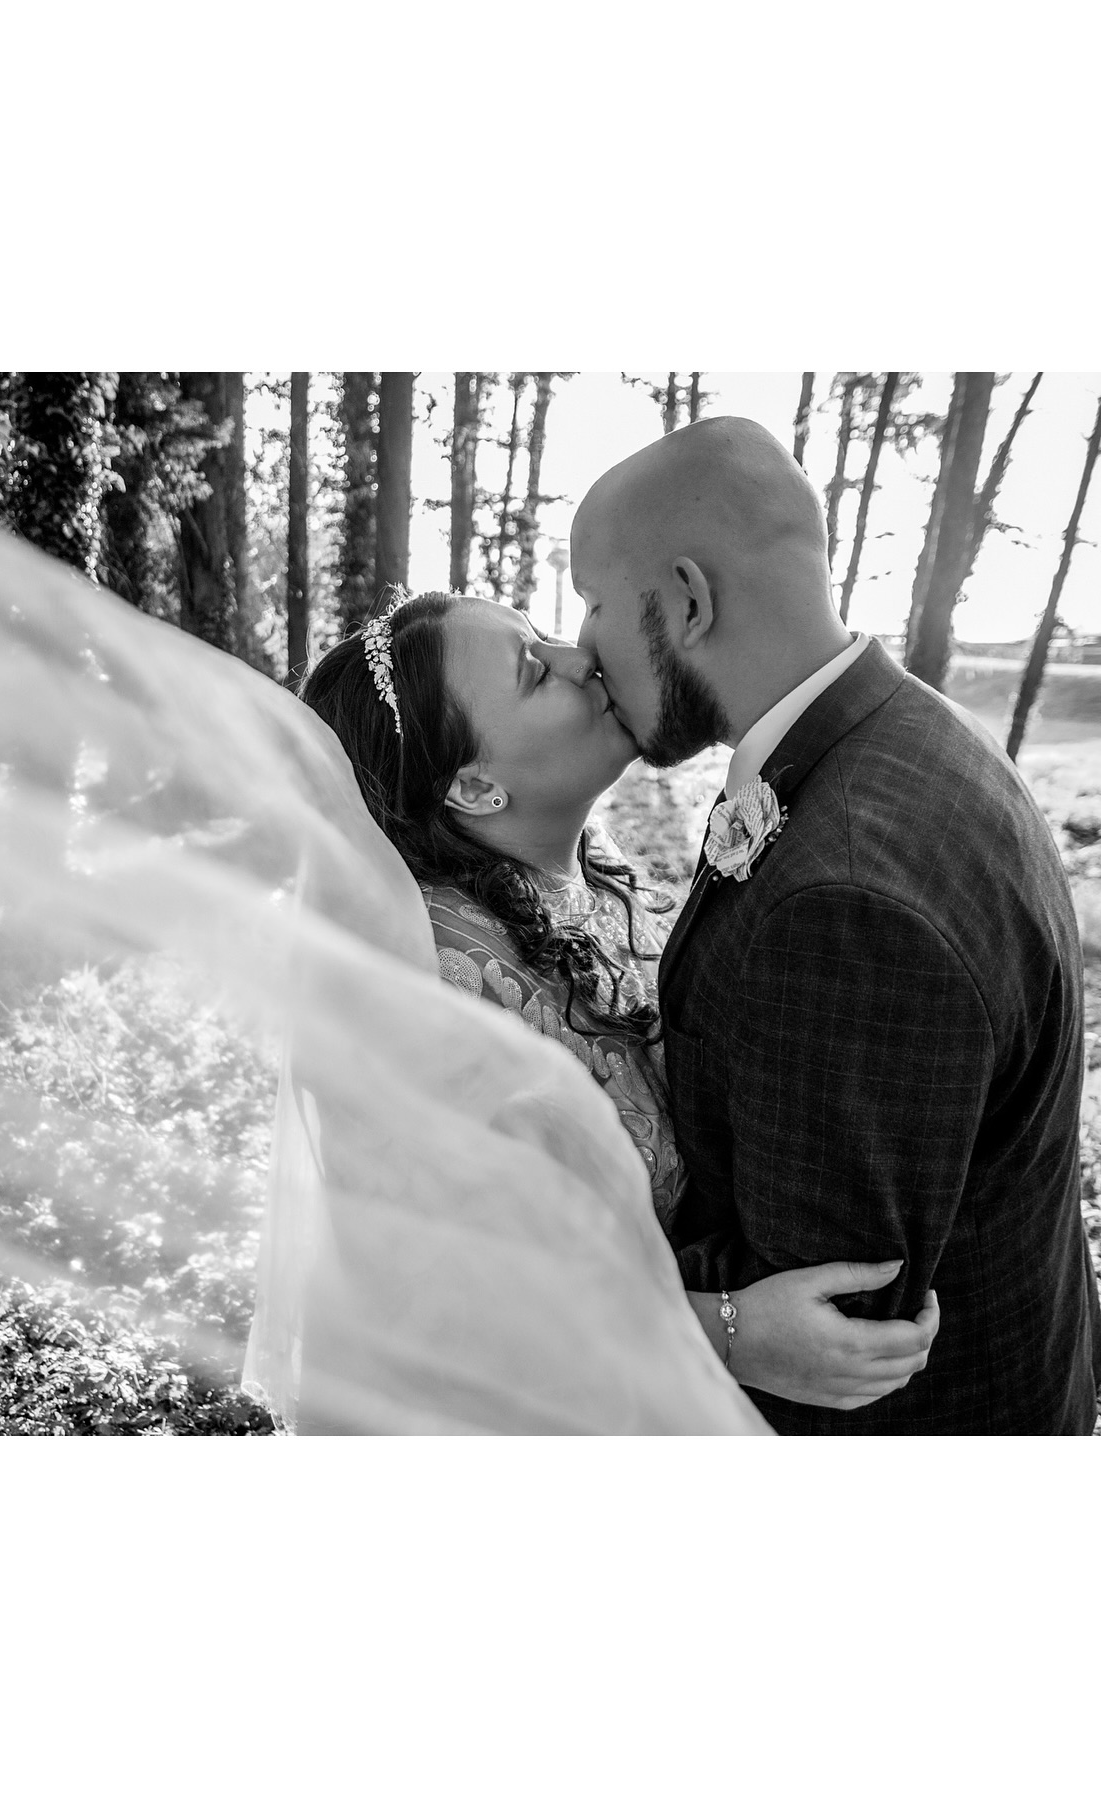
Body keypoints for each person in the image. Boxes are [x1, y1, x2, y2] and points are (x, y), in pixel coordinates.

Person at [570, 414, 1101, 1434]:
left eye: (596, 602)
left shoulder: (841, 901)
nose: (584, 647)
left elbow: (828, 1336)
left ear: (687, 600)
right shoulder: (921, 734)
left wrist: (556, 1271)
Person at [303, 589, 940, 1413]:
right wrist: (731, 1333)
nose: (582, 657)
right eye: (537, 672)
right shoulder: (421, 972)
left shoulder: (591, 864)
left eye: (541, 633)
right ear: (473, 786)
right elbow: (433, 1290)